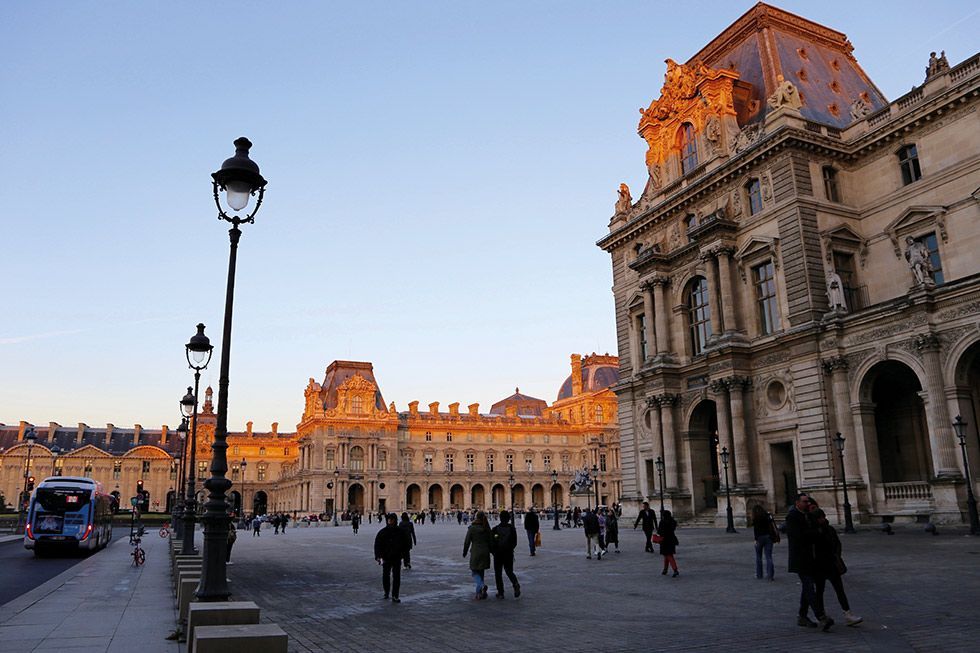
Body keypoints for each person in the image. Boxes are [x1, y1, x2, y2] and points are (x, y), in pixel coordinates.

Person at [786, 493, 834, 631]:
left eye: (808, 502)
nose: (807, 504)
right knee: (809, 587)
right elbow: (799, 537)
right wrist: (815, 532)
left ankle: (802, 616)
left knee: (807, 588)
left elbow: (818, 532)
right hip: (800, 559)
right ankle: (821, 617)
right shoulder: (793, 517)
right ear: (797, 503)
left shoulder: (809, 515)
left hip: (812, 558)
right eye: (805, 501)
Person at [812, 508, 863, 626]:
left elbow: (837, 544)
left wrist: (836, 557)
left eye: (823, 517)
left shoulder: (829, 529)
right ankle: (821, 614)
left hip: (831, 564)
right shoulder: (814, 532)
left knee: (839, 590)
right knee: (820, 591)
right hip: (819, 566)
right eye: (820, 518)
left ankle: (847, 613)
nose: (823, 519)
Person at [374, 513, 408, 603]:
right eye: (389, 520)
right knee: (386, 576)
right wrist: (378, 556)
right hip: (386, 557)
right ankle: (386, 591)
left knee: (396, 577)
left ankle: (395, 595)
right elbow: (377, 545)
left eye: (392, 520)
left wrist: (404, 556)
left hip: (396, 557)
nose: (390, 521)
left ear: (395, 520)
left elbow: (405, 545)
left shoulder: (400, 532)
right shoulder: (383, 532)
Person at [490, 510, 521, 599]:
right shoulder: (512, 529)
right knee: (509, 571)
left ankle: (500, 593)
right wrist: (510, 549)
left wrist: (494, 551)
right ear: (509, 519)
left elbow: (492, 542)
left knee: (498, 573)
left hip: (498, 554)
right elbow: (514, 542)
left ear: (500, 518)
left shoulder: (495, 529)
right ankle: (515, 584)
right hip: (508, 553)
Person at [462, 511, 492, 600]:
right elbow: (491, 541)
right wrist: (492, 551)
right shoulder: (486, 528)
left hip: (475, 552)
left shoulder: (472, 528)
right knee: (481, 572)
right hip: (485, 552)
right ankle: (479, 594)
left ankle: (481, 586)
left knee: (474, 571)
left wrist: (465, 552)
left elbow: (467, 541)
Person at [752, 504, 777, 581]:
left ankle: (759, 574)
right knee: (768, 556)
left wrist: (755, 540)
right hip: (768, 537)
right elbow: (772, 525)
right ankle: (770, 575)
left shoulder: (755, 518)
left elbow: (755, 530)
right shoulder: (767, 516)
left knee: (758, 557)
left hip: (759, 538)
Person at [657, 510, 679, 577]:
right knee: (667, 555)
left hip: (665, 540)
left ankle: (675, 569)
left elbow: (659, 532)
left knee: (668, 555)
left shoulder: (662, 522)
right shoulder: (673, 521)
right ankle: (665, 569)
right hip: (671, 539)